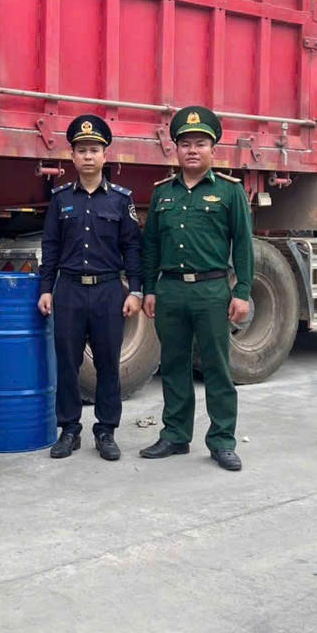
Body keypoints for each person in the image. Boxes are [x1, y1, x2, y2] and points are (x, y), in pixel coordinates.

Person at [140, 106, 253, 471]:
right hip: (171, 291)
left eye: (200, 143)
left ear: (213, 149)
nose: (192, 150)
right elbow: (152, 245)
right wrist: (149, 289)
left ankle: (222, 440)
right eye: (185, 143)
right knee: (173, 365)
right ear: (175, 149)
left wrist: (244, 291)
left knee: (218, 367)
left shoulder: (230, 192)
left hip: (212, 291)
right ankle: (175, 435)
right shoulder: (162, 194)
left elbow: (244, 245)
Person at [38, 114, 143, 461]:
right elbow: (50, 246)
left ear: (105, 155)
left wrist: (136, 290)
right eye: (81, 150)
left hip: (108, 292)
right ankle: (69, 430)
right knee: (66, 363)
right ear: (72, 157)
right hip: (68, 290)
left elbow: (132, 247)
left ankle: (106, 430)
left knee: (108, 364)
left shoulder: (119, 200)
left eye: (94, 150)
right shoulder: (60, 199)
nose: (87, 156)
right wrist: (45, 288)